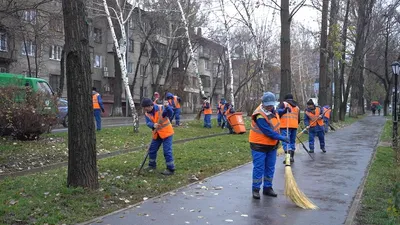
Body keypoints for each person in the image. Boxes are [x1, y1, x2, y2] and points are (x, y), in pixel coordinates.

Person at [249, 92, 290, 199]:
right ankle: (256, 189)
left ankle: (268, 188)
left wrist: (284, 111)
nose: (270, 107)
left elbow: (275, 114)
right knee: (259, 168)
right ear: (263, 103)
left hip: (271, 145)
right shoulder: (259, 115)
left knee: (270, 167)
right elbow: (268, 132)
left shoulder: (272, 109)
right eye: (268, 105)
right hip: (259, 145)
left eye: (272, 105)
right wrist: (282, 138)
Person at [141, 98, 175, 175]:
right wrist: (153, 125)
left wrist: (168, 107)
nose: (144, 109)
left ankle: (170, 169)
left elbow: (170, 114)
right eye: (143, 108)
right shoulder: (147, 113)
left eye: (145, 107)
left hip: (167, 133)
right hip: (157, 134)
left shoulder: (161, 108)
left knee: (167, 151)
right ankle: (152, 165)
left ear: (150, 106)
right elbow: (148, 123)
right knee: (152, 150)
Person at [277, 93, 300, 163]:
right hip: (294, 126)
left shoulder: (284, 104)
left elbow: (277, 112)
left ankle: (287, 159)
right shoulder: (297, 107)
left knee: (286, 141)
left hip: (285, 125)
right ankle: (292, 157)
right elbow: (298, 119)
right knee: (292, 142)